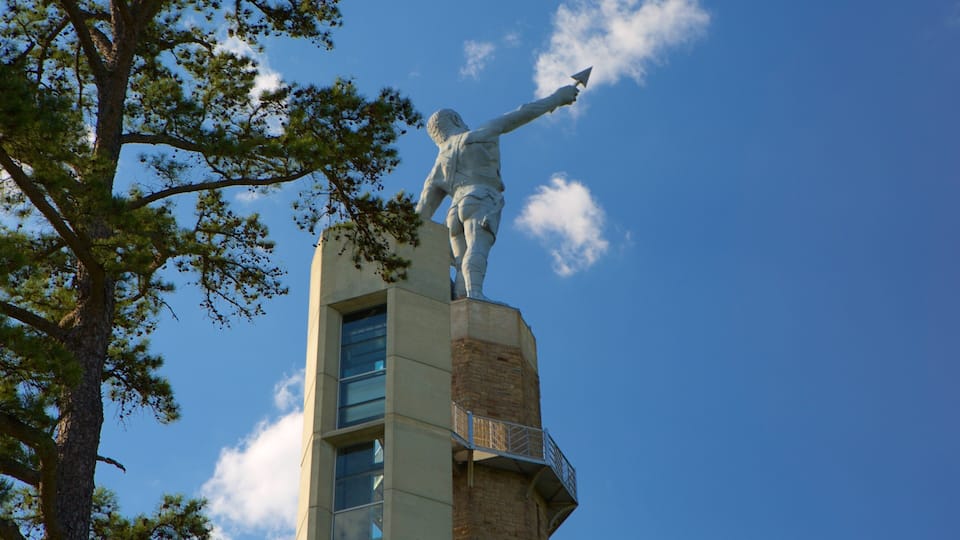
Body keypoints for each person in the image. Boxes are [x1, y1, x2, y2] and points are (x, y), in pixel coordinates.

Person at [415, 85, 580, 300]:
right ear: (455, 121)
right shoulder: (479, 135)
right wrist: (557, 98)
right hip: (480, 197)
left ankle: (463, 301)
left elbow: (421, 214)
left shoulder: (438, 167)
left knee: (460, 261)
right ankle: (475, 295)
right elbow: (522, 113)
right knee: (477, 247)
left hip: (454, 212)